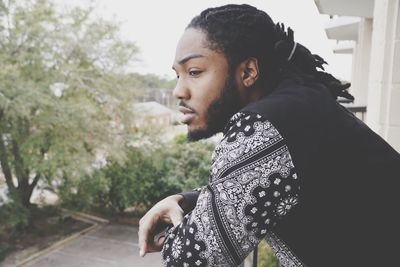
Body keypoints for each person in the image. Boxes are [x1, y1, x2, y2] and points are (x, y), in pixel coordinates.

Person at [138, 4, 400, 266]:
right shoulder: (297, 105)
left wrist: (179, 232)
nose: (178, 91)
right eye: (177, 75)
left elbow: (190, 258)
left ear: (248, 72)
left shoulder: (264, 126)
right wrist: (187, 202)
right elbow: (261, 182)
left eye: (194, 72)